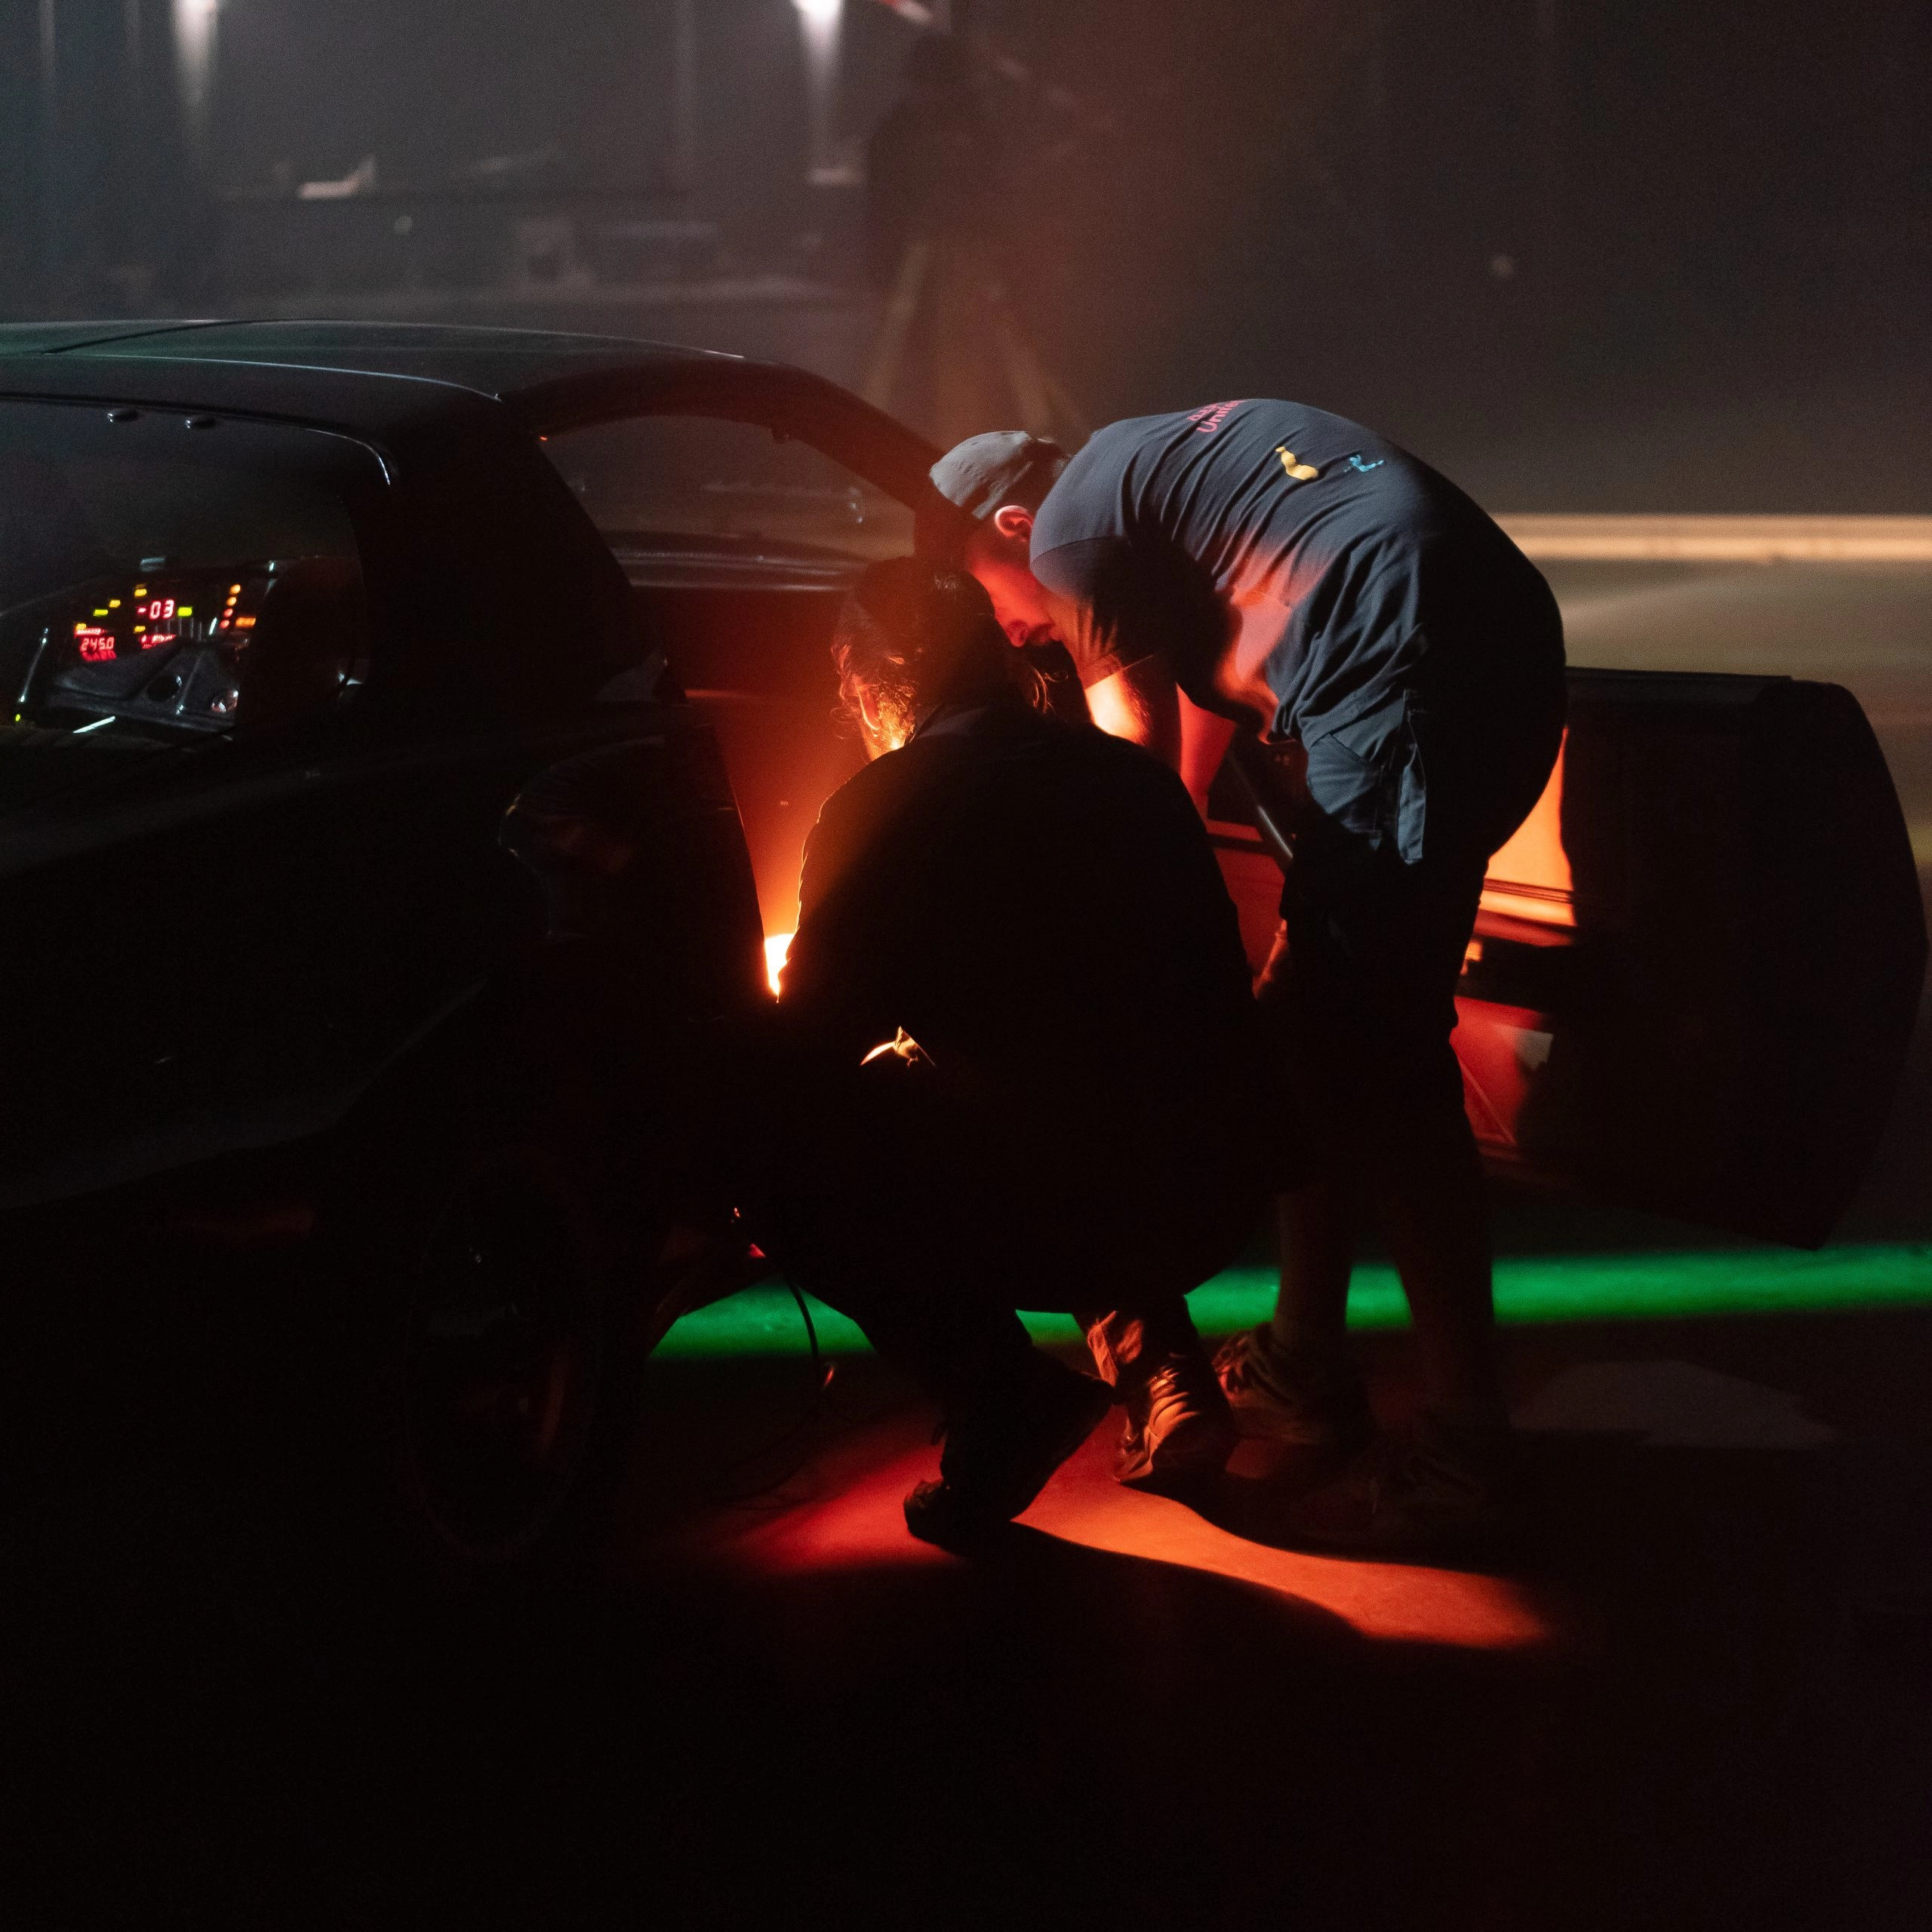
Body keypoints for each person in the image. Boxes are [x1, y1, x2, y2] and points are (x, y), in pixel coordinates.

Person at [932, 405, 1566, 1554]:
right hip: (1482, 639)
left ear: (1014, 524)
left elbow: (1124, 784)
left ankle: (1471, 1454)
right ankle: (1303, 1362)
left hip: (1397, 666)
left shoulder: (1070, 531)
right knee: (1307, 1030)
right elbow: (1177, 784)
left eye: (990, 594)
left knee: (1383, 1061)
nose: (1013, 630)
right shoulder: (1156, 486)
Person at [746, 558, 1283, 1546]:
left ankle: (1002, 1397)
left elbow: (808, 1047)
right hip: (1216, 1187)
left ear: (864, 676)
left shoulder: (885, 801)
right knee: (1068, 1084)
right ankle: (1159, 1363)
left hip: (1074, 1200)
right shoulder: (1129, 776)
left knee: (774, 1148)